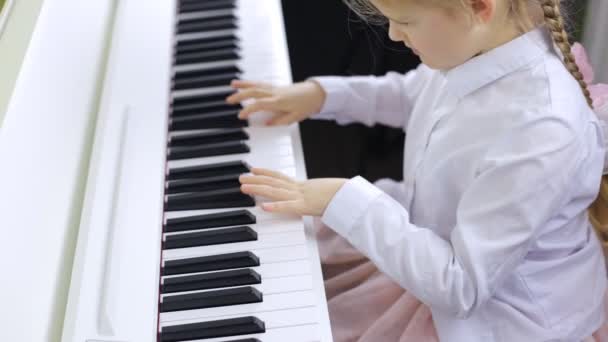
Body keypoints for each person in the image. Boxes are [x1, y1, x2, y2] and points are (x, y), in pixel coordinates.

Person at [227, 0, 608, 340]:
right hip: (430, 247)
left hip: (492, 316)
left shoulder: (544, 128)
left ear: (479, 7)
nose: (393, 33)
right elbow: (413, 95)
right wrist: (322, 96)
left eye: (405, 21)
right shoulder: (480, 48)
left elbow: (462, 287)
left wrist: (343, 200)